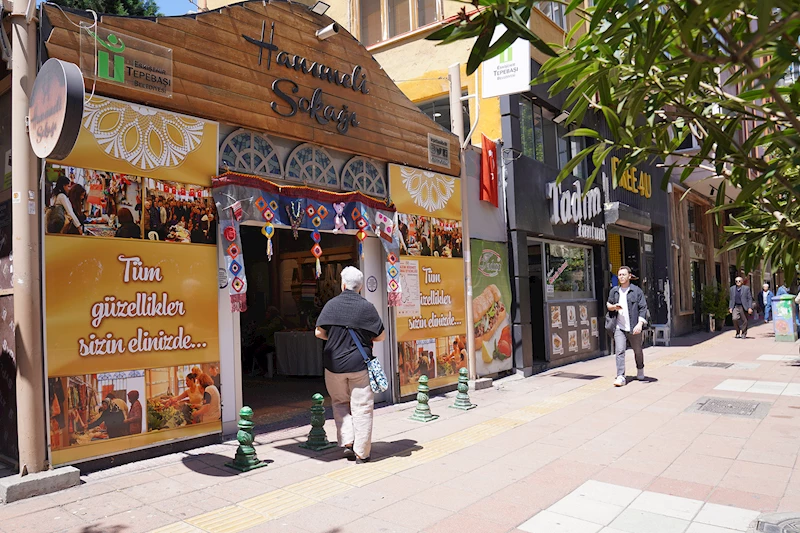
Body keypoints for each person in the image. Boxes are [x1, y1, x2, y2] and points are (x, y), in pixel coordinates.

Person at [315, 266, 385, 463]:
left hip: (334, 365)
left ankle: (347, 442)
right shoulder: (367, 307)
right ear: (360, 287)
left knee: (340, 402)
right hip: (359, 365)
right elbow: (381, 336)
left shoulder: (331, 305)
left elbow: (319, 332)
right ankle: (362, 452)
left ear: (343, 284)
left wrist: (334, 338)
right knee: (362, 407)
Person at [607, 266, 649, 387]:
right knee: (620, 350)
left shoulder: (636, 291)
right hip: (619, 327)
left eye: (624, 275)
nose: (621, 277)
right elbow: (608, 304)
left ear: (629, 276)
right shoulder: (614, 291)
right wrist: (614, 307)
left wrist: (640, 324)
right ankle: (620, 376)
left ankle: (640, 368)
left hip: (633, 327)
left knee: (637, 350)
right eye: (619, 275)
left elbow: (643, 308)